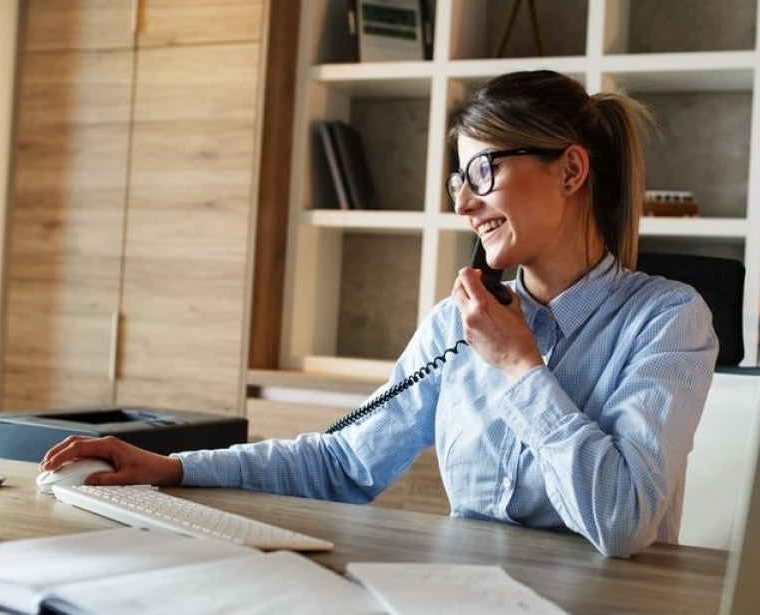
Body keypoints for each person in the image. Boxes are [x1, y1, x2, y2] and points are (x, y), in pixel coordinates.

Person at [40, 70, 718, 558]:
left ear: (571, 172)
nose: (463, 205)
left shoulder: (667, 320)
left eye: (483, 173)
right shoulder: (458, 325)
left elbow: (622, 520)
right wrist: (173, 467)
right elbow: (343, 462)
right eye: (459, 181)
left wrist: (519, 365)